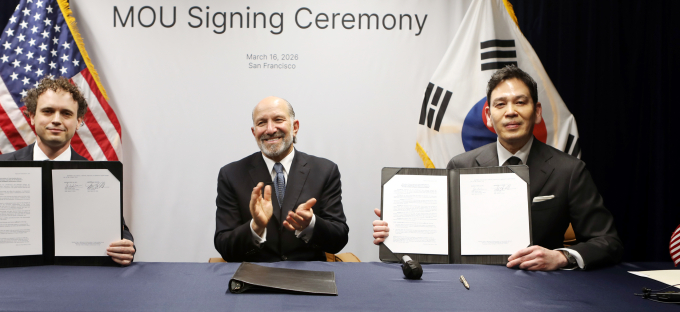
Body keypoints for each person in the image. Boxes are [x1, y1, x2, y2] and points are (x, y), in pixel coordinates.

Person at [373, 66, 623, 270]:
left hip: (540, 288)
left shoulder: (569, 171)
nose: (511, 112)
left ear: (537, 112)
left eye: (520, 102)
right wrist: (399, 230)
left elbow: (608, 241)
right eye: (500, 104)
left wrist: (560, 257)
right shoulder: (460, 165)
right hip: (470, 285)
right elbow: (443, 239)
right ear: (488, 116)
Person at [0, 77, 136, 266]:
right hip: (10, 274)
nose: (56, 120)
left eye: (66, 113)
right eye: (48, 111)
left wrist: (126, 246)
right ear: (32, 116)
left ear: (78, 121)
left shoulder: (99, 175)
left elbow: (119, 230)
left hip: (75, 275)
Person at [214, 96, 349, 262]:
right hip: (255, 274)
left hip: (308, 274)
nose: (270, 129)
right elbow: (224, 245)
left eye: (278, 120)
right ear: (254, 132)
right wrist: (256, 227)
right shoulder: (231, 174)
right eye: (262, 123)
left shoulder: (325, 170)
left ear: (295, 127)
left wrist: (311, 224)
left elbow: (339, 239)